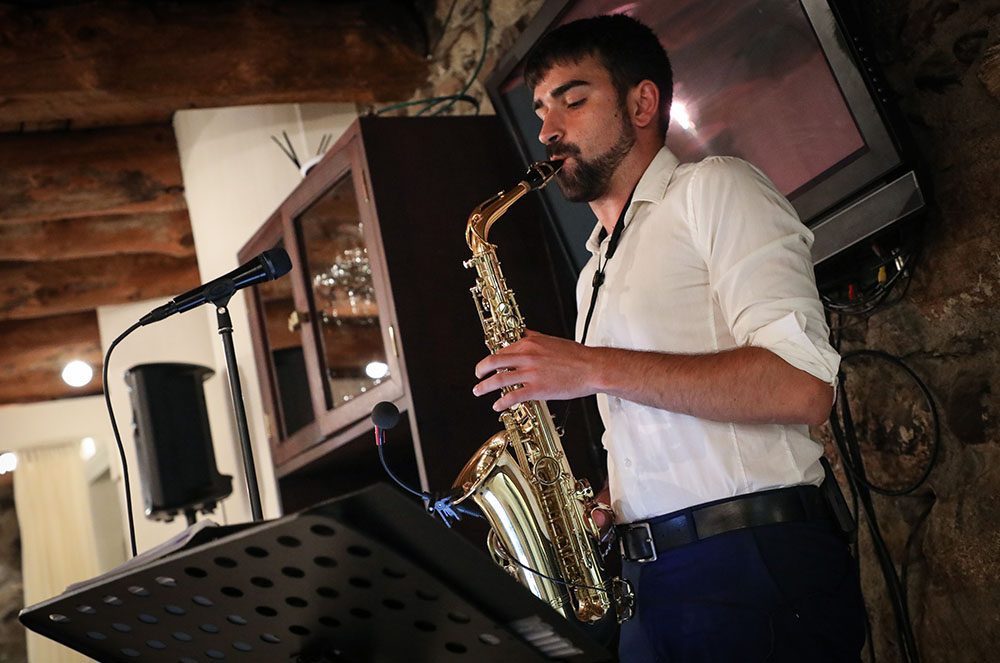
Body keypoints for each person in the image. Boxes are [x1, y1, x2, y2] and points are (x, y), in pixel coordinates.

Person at [471, 13, 866, 663]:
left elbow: (803, 386)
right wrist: (613, 500)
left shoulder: (716, 189)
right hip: (649, 583)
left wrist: (591, 367)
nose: (547, 131)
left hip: (748, 560)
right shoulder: (594, 268)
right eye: (540, 110)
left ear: (642, 103)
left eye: (573, 100)